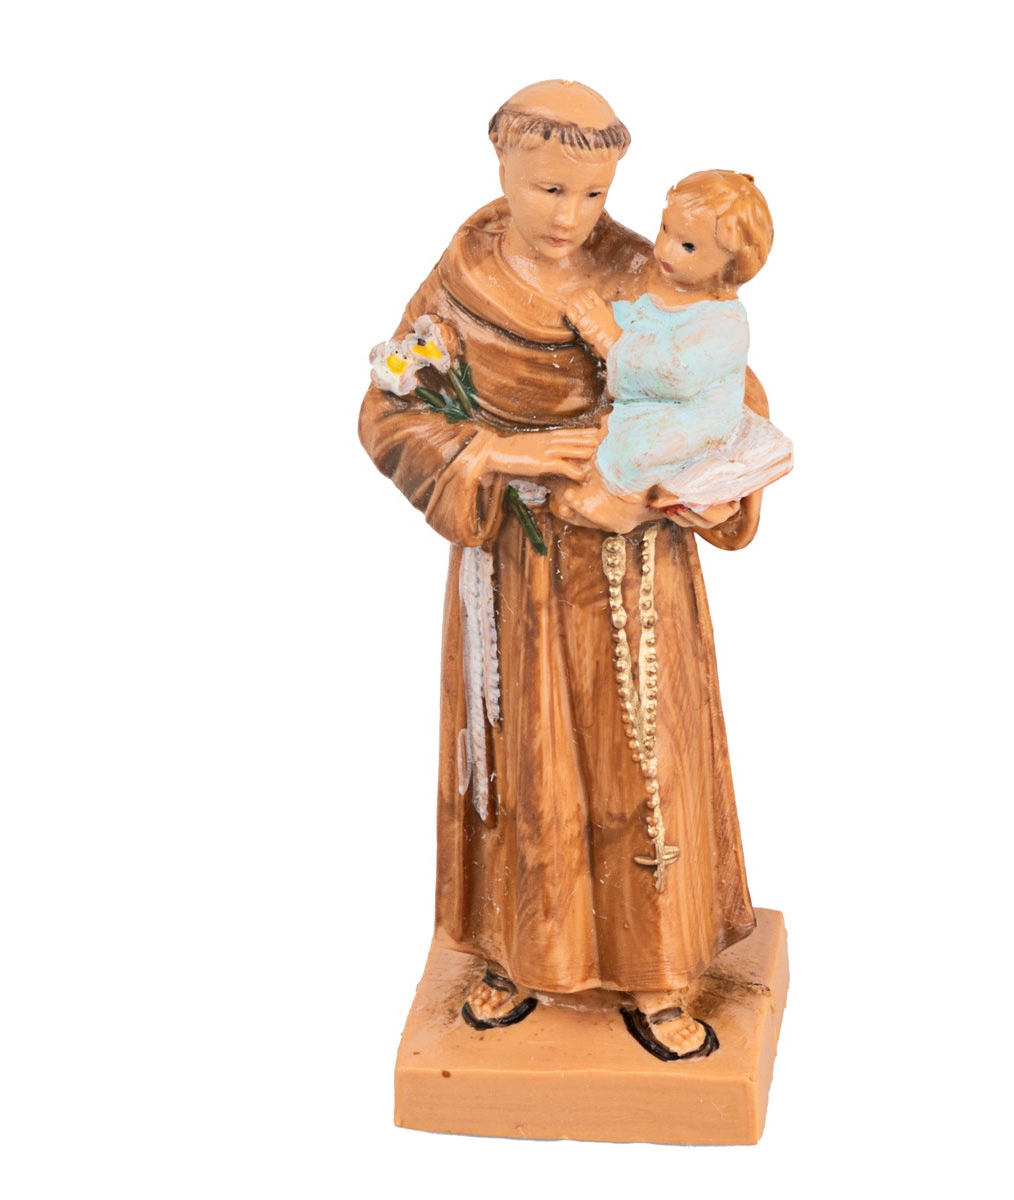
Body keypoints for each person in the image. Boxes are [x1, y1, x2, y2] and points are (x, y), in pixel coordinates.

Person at [359, 81, 773, 1061]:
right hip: (516, 565)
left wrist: (698, 490)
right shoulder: (462, 281)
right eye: (549, 189)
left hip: (634, 565)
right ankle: (522, 952)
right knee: (526, 758)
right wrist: (493, 454)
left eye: (593, 193)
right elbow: (389, 409)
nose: (570, 216)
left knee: (644, 756)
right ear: (502, 167)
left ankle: (656, 969)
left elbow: (730, 395)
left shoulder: (647, 273)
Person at [553, 170, 792, 535]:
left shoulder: (725, 321)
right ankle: (610, 486)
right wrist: (606, 314)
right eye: (665, 229)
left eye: (688, 247)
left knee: (642, 445)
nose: (664, 249)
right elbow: (643, 319)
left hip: (696, 419)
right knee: (616, 431)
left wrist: (608, 337)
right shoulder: (668, 286)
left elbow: (676, 372)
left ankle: (624, 506)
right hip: (657, 408)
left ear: (730, 266)